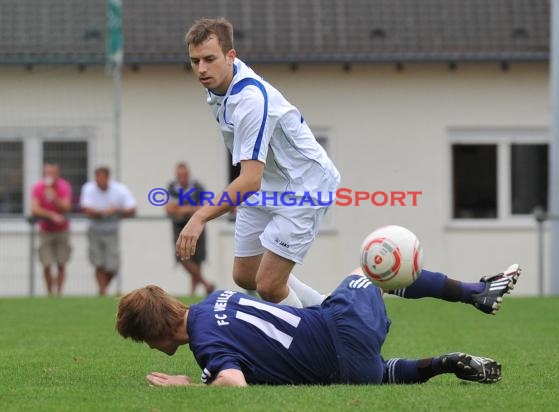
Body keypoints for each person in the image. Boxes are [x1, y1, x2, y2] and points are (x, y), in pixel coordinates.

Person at [116, 265, 514, 387]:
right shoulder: (218, 298)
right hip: (341, 336)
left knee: (373, 265)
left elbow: (233, 383)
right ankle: (473, 294)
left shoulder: (204, 342)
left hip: (339, 351)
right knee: (373, 270)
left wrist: (189, 386)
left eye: (142, 341)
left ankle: (476, 296)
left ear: (155, 333)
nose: (148, 348)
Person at [176, 18, 341, 308]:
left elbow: (249, 179)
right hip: (269, 182)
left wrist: (199, 217)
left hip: (305, 186)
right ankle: (332, 310)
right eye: (195, 61)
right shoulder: (217, 85)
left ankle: (315, 342)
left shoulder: (250, 100)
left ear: (231, 56)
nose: (201, 69)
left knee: (269, 285)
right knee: (246, 275)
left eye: (209, 59)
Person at [80, 167, 136, 296]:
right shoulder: (89, 188)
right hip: (95, 230)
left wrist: (117, 211)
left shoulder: (119, 189)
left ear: (107, 178)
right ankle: (103, 292)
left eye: (101, 177)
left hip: (112, 231)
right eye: (97, 177)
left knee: (112, 266)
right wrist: (104, 212)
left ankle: (102, 290)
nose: (99, 181)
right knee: (98, 263)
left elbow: (132, 208)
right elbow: (86, 209)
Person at [166, 162, 214, 296]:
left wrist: (181, 209)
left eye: (184, 175)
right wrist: (191, 209)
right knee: (182, 256)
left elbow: (203, 208)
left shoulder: (198, 187)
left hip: (196, 226)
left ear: (188, 175)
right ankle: (206, 284)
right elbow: (169, 209)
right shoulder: (172, 187)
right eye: (179, 175)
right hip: (179, 226)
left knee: (197, 259)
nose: (182, 178)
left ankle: (192, 294)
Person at [30, 162, 72, 296]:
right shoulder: (38, 187)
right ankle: (50, 294)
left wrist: (54, 199)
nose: (49, 176)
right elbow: (34, 209)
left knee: (61, 263)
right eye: (46, 173)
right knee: (46, 263)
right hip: (45, 230)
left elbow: (66, 207)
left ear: (57, 174)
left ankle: (59, 293)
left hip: (62, 230)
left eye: (51, 173)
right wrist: (51, 215)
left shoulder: (64, 186)